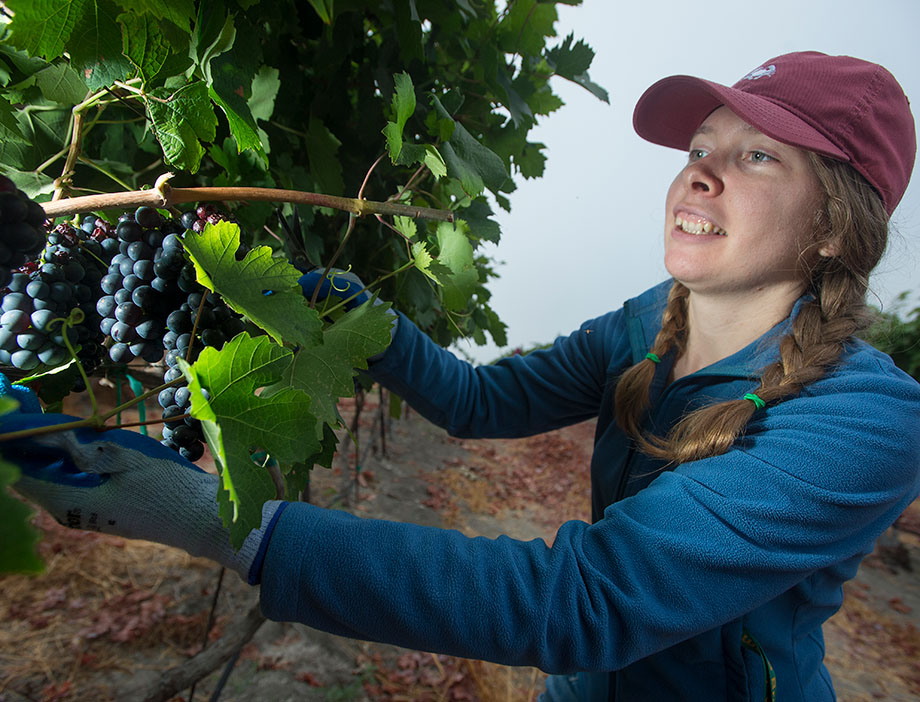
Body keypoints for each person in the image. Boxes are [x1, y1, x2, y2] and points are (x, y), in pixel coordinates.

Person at [1, 51, 919, 701]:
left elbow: (586, 600)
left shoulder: (866, 420)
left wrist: (210, 519)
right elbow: (483, 403)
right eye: (700, 148)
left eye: (758, 155)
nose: (703, 174)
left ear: (836, 228)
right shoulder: (648, 322)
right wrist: (359, 315)